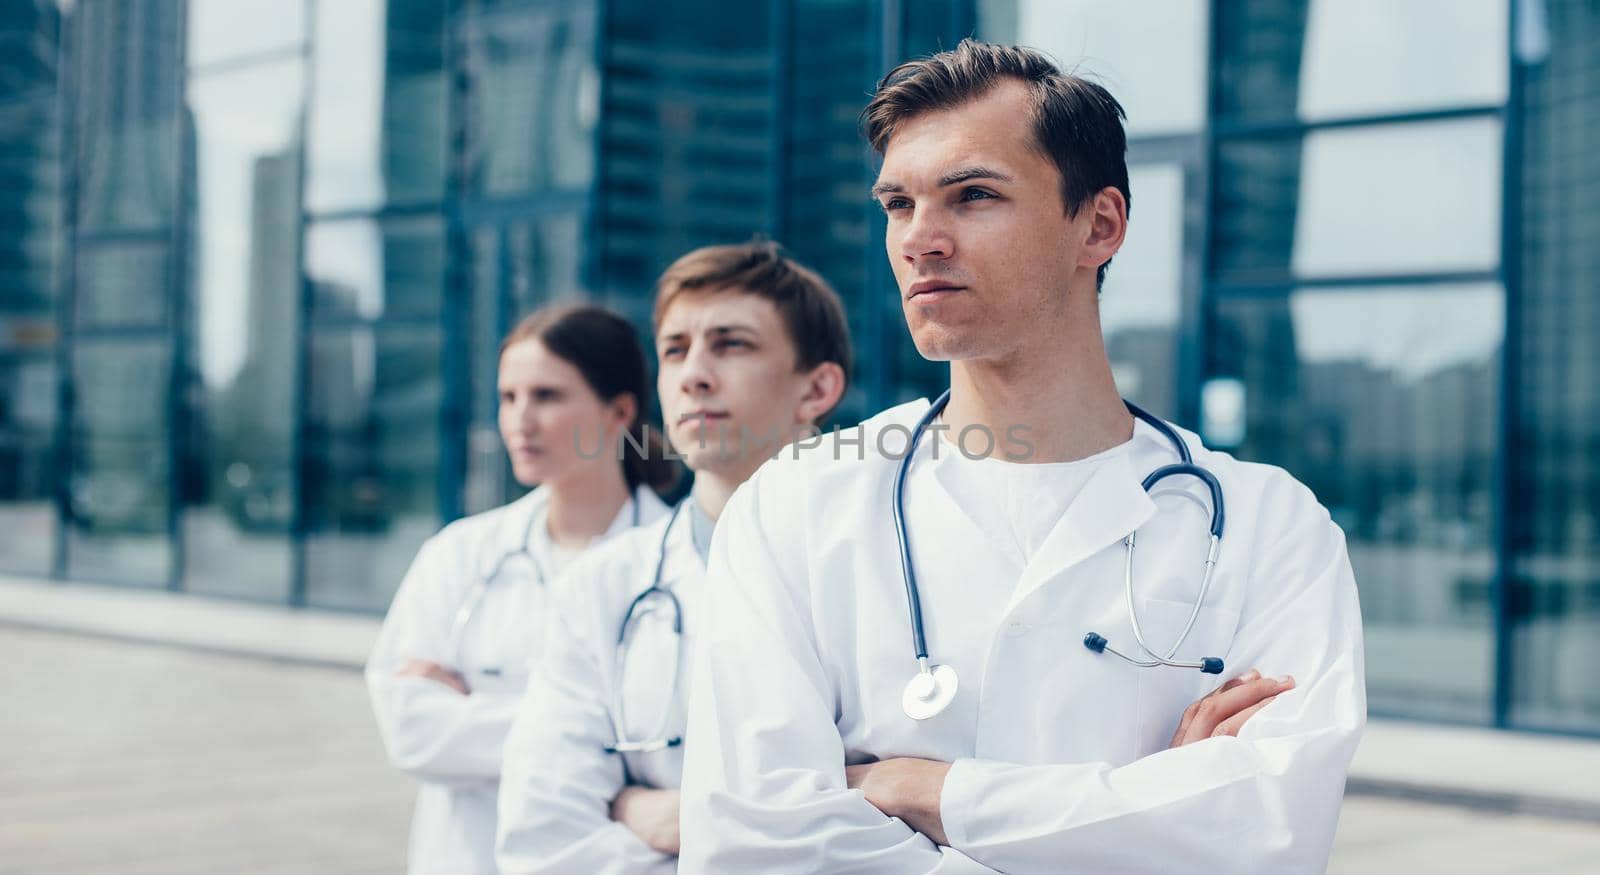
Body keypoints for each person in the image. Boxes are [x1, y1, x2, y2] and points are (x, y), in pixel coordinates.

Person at [678, 40, 1366, 874]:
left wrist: (934, 793)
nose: (920, 240)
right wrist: (1147, 807)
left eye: (973, 196)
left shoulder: (1271, 524)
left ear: (1099, 225)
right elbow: (753, 844)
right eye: (898, 204)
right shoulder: (795, 504)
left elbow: (1267, 835)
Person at [495, 241, 852, 874]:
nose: (694, 374)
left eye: (732, 344)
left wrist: (676, 817)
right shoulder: (604, 587)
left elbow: (922, 824)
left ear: (817, 387)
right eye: (674, 350)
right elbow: (543, 842)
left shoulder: (889, 573)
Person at [367, 304, 675, 875]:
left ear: (619, 412)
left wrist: (480, 715)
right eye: (509, 397)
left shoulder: (676, 563)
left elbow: (687, 750)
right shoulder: (460, 554)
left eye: (547, 396)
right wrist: (594, 740)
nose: (519, 421)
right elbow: (411, 733)